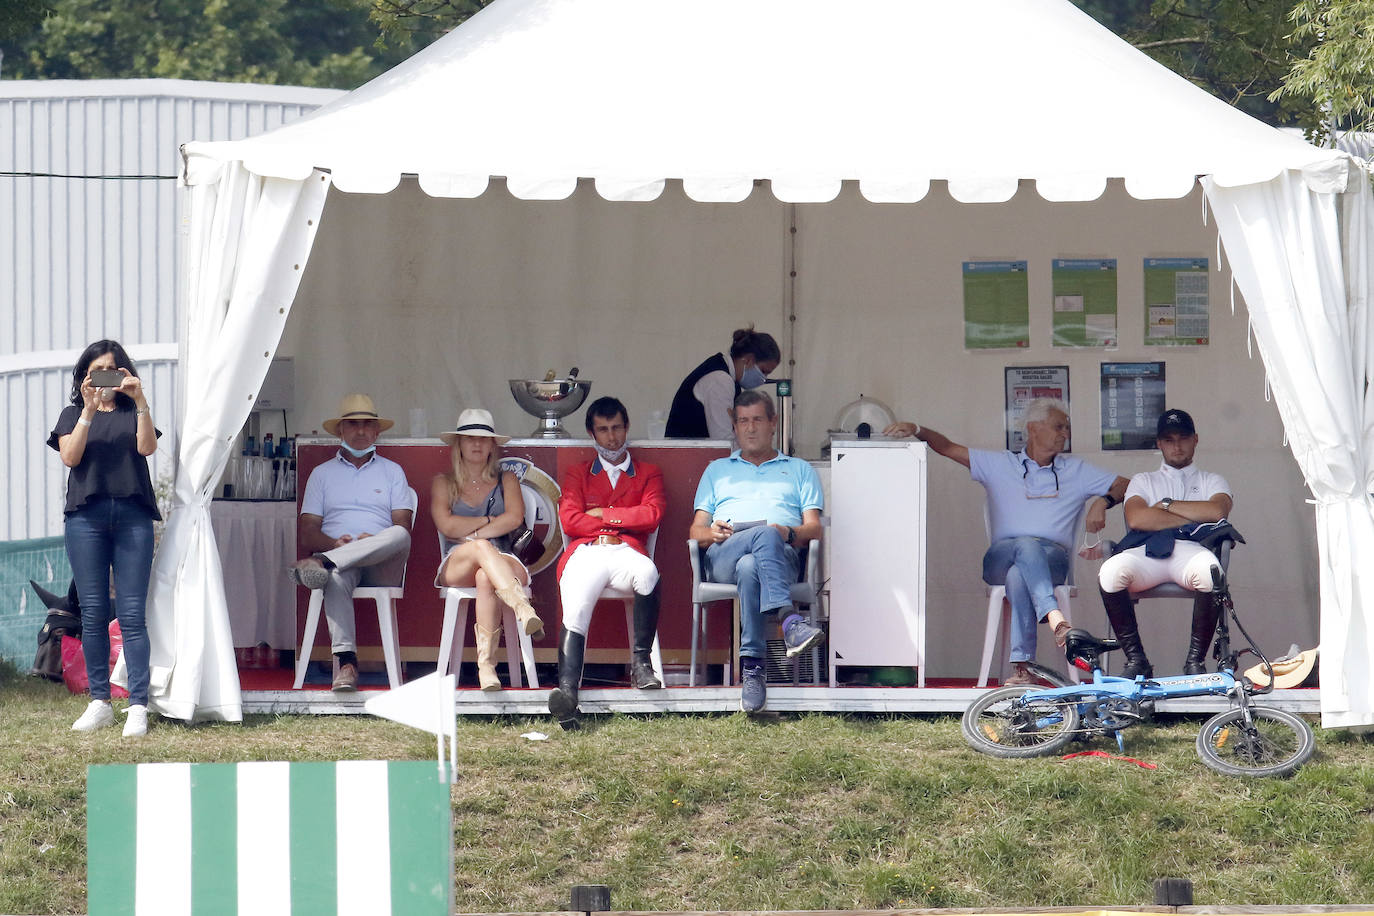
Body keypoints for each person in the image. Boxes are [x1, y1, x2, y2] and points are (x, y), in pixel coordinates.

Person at [885, 398, 1128, 686]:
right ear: (1033, 428)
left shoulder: (1075, 469)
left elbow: (1126, 485)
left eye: (1067, 428)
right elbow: (948, 448)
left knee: (1019, 574)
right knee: (1024, 547)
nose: (1065, 434)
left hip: (1052, 560)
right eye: (1058, 427)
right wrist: (916, 429)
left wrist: (1102, 501)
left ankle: (1022, 669)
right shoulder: (999, 463)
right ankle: (1056, 619)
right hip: (999, 557)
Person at [48, 339, 160, 737]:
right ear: (84, 377)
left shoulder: (134, 411)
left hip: (132, 515)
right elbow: (70, 457)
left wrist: (140, 396)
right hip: (86, 517)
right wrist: (89, 411)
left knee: (131, 615)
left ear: (124, 372)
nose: (105, 379)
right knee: (93, 613)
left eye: (113, 370)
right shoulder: (72, 414)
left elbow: (147, 447)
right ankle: (100, 701)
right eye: (97, 372)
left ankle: (138, 706)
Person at [690, 389, 824, 712]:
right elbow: (695, 531)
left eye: (758, 420)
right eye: (743, 421)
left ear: (773, 423)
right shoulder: (717, 470)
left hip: (781, 556)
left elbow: (814, 529)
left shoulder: (799, 469)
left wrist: (787, 532)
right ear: (734, 426)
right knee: (757, 542)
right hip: (724, 553)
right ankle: (789, 620)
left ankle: (753, 668)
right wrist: (713, 532)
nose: (750, 428)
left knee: (751, 565)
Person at [548, 397, 667, 729]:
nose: (612, 437)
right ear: (592, 434)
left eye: (616, 428)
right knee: (577, 607)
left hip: (625, 552)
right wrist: (623, 520)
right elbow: (570, 521)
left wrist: (603, 515)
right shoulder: (578, 473)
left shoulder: (648, 472)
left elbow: (653, 515)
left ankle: (641, 665)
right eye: (603, 430)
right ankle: (568, 694)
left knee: (649, 573)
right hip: (587, 552)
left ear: (626, 427)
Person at [289, 394, 413, 692]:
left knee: (399, 535)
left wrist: (371, 541)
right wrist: (334, 543)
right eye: (352, 424)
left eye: (367, 425)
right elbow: (307, 533)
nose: (360, 431)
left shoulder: (392, 471)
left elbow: (402, 527)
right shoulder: (322, 475)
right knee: (333, 576)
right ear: (340, 431)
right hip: (340, 557)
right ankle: (346, 664)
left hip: (382, 559)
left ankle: (325, 561)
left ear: (377, 432)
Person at [1097, 409, 1234, 678]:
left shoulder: (1212, 479)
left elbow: (1217, 512)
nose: (1177, 445)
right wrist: (1192, 516)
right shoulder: (1143, 480)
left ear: (1195, 439)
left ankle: (1195, 662)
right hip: (1146, 550)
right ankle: (1136, 661)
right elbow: (1137, 518)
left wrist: (1166, 506)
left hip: (1191, 551)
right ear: (1159, 443)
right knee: (1110, 573)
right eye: (1169, 440)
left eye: (1183, 438)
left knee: (1211, 573)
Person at [431, 408, 544, 691]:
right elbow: (446, 525)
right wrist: (487, 523)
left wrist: (472, 534)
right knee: (481, 550)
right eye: (469, 438)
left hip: (504, 560)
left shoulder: (506, 479)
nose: (477, 444)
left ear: (493, 445)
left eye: (483, 438)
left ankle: (487, 668)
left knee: (485, 577)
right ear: (459, 444)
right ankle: (522, 607)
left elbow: (514, 518)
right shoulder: (443, 482)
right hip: (457, 561)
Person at [665, 325, 780, 440]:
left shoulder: (728, 377)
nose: (763, 378)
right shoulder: (720, 380)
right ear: (749, 360)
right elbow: (723, 440)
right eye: (763, 371)